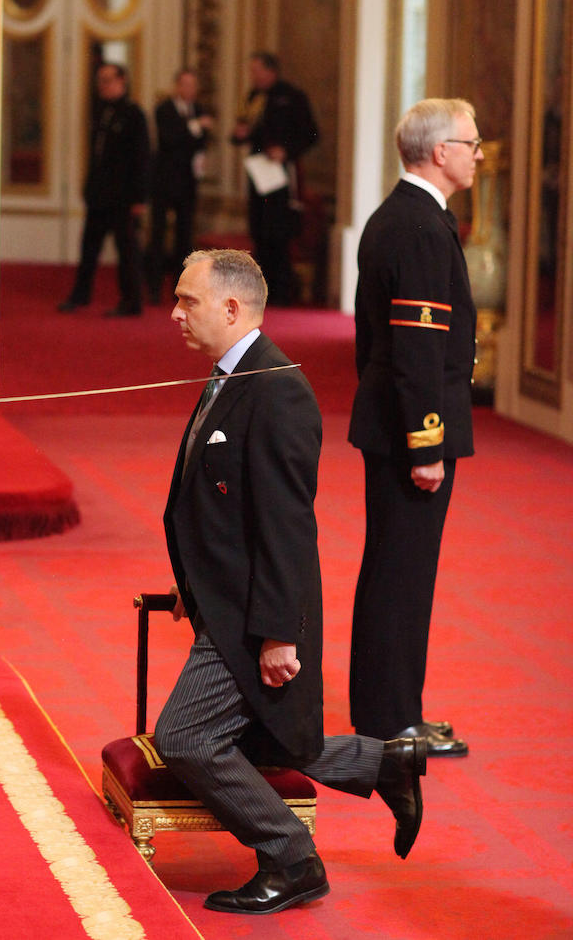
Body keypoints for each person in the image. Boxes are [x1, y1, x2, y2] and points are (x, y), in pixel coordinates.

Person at [153, 249, 427, 915]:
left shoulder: (275, 389)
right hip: (222, 606)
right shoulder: (235, 375)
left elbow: (286, 529)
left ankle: (291, 855)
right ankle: (382, 762)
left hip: (251, 614)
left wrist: (280, 633)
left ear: (231, 306)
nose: (174, 313)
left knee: (185, 738)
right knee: (265, 734)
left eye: (187, 300)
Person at [348, 99, 482, 756]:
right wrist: (426, 442)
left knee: (399, 570)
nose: (478, 153)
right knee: (401, 573)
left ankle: (397, 709)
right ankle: (388, 720)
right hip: (412, 433)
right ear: (438, 151)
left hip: (393, 422)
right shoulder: (421, 226)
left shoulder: (401, 216)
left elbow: (369, 337)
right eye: (471, 142)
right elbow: (417, 351)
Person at [58, 63, 149, 317]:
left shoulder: (134, 114)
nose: (103, 85)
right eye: (100, 80)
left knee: (127, 252)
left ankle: (131, 302)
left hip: (123, 197)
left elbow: (142, 158)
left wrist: (139, 198)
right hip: (99, 194)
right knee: (88, 248)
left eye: (108, 80)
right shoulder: (99, 112)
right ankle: (80, 295)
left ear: (123, 81)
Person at [230, 51, 317, 306]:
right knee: (258, 228)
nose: (253, 76)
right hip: (258, 172)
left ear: (271, 71)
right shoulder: (253, 97)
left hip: (282, 175)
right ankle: (261, 289)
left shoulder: (293, 97)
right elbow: (242, 131)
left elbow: (311, 134)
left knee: (279, 230)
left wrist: (286, 150)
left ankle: (281, 291)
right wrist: (239, 134)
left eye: (257, 71)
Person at [145, 69, 213, 305]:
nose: (189, 90)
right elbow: (170, 139)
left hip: (187, 182)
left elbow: (201, 142)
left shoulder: (199, 109)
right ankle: (153, 286)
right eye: (185, 84)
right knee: (158, 234)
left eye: (193, 85)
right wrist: (195, 127)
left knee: (185, 237)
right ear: (177, 86)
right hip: (164, 181)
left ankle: (181, 288)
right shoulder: (164, 109)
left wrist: (195, 133)